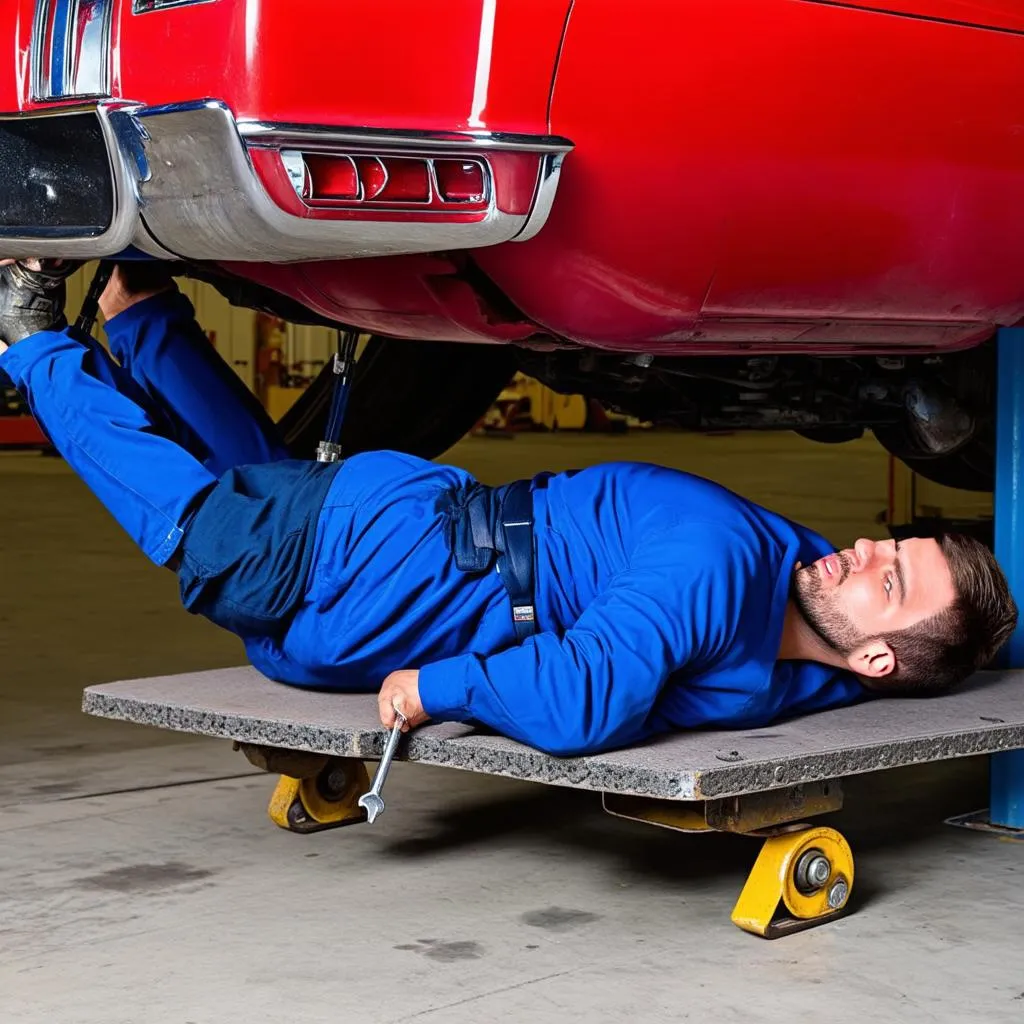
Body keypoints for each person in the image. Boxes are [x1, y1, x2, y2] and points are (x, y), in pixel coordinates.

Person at [0, 260, 1017, 757]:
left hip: (389, 587)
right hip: (384, 556)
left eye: (890, 573)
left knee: (268, 498)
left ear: (878, 661)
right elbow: (579, 699)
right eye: (890, 542)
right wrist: (436, 688)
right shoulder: (723, 565)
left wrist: (430, 677)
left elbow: (970, 643)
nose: (861, 547)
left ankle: (142, 320)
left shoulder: (835, 671)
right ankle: (31, 342)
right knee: (206, 537)